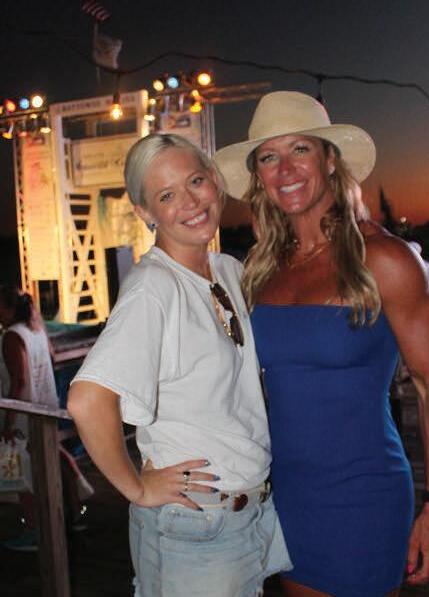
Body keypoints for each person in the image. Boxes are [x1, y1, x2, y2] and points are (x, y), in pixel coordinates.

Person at [214, 91, 429, 597]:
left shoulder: (385, 259)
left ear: (329, 160)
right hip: (285, 494)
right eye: (268, 157)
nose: (285, 169)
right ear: (259, 176)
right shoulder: (263, 269)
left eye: (299, 149)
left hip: (363, 495)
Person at [67, 133, 291, 597]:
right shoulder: (153, 289)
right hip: (196, 528)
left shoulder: (227, 270)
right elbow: (87, 400)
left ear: (215, 181)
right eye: (166, 196)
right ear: (145, 212)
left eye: (195, 181)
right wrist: (137, 487)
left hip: (247, 516)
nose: (189, 202)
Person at [0, 285, 93, 551]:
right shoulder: (37, 329)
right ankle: (76, 509)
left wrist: (8, 422)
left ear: (8, 308)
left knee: (21, 469)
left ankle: (34, 529)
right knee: (55, 452)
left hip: (25, 411)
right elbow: (50, 360)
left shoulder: (12, 336)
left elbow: (19, 380)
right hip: (46, 402)